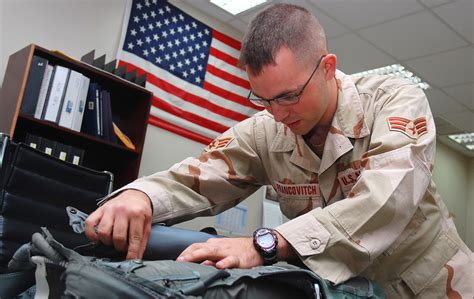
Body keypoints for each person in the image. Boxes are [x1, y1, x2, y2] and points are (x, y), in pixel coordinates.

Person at [85, 3, 473, 298]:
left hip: (434, 284)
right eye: (263, 99)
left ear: (327, 67)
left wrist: (267, 245)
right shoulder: (265, 129)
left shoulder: (393, 100)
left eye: (289, 96)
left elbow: (387, 201)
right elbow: (203, 175)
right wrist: (142, 196)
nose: (278, 113)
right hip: (345, 290)